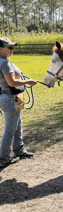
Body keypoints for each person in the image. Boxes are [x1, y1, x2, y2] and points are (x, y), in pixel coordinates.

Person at [0, 37, 37, 168]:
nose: (12, 49)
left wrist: (18, 73)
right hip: (10, 97)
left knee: (17, 124)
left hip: (11, 97)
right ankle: (3, 158)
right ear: (1, 48)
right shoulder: (4, 63)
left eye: (13, 47)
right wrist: (28, 81)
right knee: (10, 128)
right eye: (9, 47)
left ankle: (19, 150)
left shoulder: (4, 61)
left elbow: (12, 77)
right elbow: (11, 83)